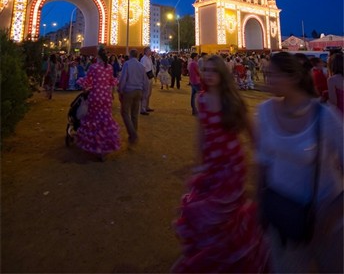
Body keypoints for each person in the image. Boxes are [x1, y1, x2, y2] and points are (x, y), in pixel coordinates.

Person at [172, 55, 269, 273]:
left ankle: (233, 252)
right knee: (206, 212)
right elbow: (201, 133)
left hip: (232, 166)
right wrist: (199, 163)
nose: (208, 75)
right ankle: (217, 250)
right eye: (205, 70)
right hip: (212, 165)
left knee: (222, 212)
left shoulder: (232, 100)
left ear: (222, 74)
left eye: (213, 71)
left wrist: (263, 162)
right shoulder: (202, 99)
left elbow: (252, 133)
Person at [256, 51, 343, 274]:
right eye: (267, 74)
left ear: (293, 77)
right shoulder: (265, 111)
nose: (268, 80)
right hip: (282, 216)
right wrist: (260, 205)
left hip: (326, 220)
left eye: (274, 75)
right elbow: (262, 162)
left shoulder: (325, 116)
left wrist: (332, 213)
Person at [76, 46, 121, 161]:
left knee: (94, 120)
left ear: (98, 57)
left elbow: (87, 81)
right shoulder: (109, 67)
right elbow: (112, 81)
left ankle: (95, 146)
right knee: (105, 120)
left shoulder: (93, 67)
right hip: (106, 97)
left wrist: (79, 81)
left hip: (95, 96)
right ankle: (103, 148)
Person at [118, 49, 149, 146]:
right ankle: (133, 135)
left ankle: (133, 134)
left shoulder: (127, 64)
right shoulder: (141, 66)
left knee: (125, 112)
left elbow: (123, 78)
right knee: (134, 114)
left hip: (129, 91)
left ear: (130, 55)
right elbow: (145, 81)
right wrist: (144, 93)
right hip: (138, 91)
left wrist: (120, 90)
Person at [140, 46, 154, 114]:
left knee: (149, 93)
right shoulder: (144, 59)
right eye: (149, 50)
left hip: (150, 77)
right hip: (146, 78)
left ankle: (146, 106)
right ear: (145, 52)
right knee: (145, 94)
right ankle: (142, 108)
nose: (150, 51)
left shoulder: (149, 58)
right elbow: (143, 69)